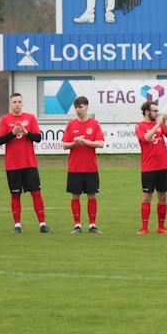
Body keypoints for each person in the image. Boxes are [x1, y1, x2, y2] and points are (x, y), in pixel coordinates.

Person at [0, 93, 52, 234]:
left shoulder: (30, 118)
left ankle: (42, 224)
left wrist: (26, 132)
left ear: (23, 103)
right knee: (15, 195)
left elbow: (38, 138)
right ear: (10, 104)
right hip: (12, 165)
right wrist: (13, 133)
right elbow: (0, 140)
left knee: (36, 193)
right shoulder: (4, 119)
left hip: (29, 164)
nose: (17, 104)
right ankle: (17, 225)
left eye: (19, 101)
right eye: (14, 102)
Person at [62, 96, 105, 234]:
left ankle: (92, 225)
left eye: (80, 107)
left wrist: (85, 142)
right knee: (75, 196)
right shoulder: (70, 125)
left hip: (90, 167)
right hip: (75, 168)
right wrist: (75, 143)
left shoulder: (95, 124)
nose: (78, 110)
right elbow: (64, 145)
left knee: (91, 196)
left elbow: (100, 143)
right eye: (75, 107)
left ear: (86, 107)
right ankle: (77, 225)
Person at [135, 101, 167, 235]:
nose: (157, 113)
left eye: (157, 111)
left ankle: (161, 227)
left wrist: (164, 123)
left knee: (163, 197)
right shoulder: (140, 126)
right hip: (148, 168)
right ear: (147, 112)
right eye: (154, 111)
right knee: (147, 197)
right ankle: (144, 228)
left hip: (163, 166)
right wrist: (158, 124)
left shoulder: (159, 124)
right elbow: (145, 138)